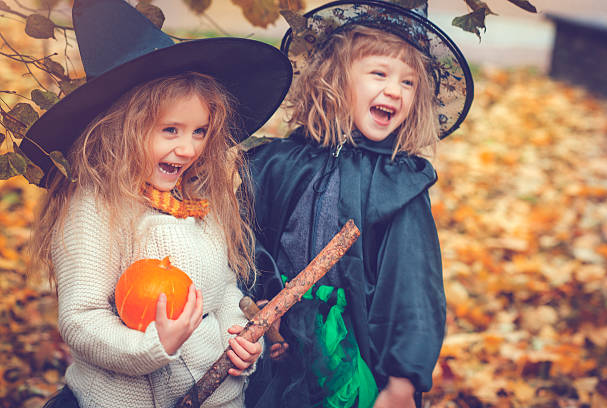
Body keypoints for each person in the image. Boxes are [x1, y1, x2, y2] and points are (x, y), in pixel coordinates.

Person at [24, 1, 292, 407]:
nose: (188, 149)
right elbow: (82, 319)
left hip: (216, 398)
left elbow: (221, 295)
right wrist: (153, 346)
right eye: (171, 130)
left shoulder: (198, 202)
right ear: (121, 130)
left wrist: (240, 342)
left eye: (200, 131)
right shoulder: (94, 208)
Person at [244, 1, 474, 407]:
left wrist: (403, 379)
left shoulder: (396, 184)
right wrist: (258, 301)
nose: (394, 90)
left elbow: (413, 290)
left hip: (356, 358)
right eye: (379, 73)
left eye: (408, 82)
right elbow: (250, 243)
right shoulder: (281, 162)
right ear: (333, 78)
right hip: (276, 349)